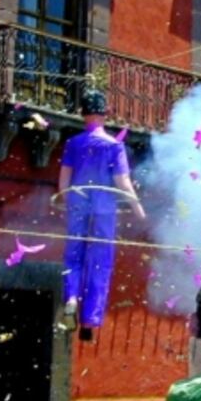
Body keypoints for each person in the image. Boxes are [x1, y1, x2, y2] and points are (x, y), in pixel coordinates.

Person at [58, 89, 145, 342]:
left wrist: (67, 202)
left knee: (73, 255)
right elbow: (122, 181)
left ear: (83, 114)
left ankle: (71, 298)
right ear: (105, 113)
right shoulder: (114, 145)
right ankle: (89, 319)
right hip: (104, 208)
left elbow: (63, 181)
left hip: (78, 204)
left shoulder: (73, 143)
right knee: (99, 262)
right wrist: (138, 209)